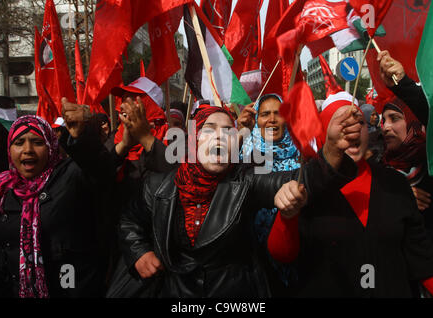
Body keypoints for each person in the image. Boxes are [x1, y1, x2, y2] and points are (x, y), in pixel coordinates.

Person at [114, 95, 363, 298]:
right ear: (193, 140)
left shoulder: (245, 181)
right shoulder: (158, 186)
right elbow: (129, 220)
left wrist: (331, 152)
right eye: (209, 129)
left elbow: (299, 179)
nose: (221, 137)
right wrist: (138, 251)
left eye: (228, 131)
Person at [267, 92, 433, 297]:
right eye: (342, 123)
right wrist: (287, 215)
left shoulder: (395, 183)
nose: (351, 131)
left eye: (358, 122)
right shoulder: (306, 183)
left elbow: (424, 261)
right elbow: (282, 254)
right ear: (325, 133)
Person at [0, 99, 117, 298]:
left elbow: (100, 170)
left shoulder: (70, 175)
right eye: (19, 143)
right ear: (9, 150)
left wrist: (82, 136)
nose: (27, 150)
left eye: (37, 142)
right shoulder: (1, 190)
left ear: (51, 146)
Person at [378, 51, 433, 260]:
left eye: (395, 118)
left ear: (415, 123)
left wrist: (403, 84)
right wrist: (397, 197)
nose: (385, 127)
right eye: (383, 120)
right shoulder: (376, 170)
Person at [238, 94, 300, 295]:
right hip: (252, 264)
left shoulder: (303, 156)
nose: (272, 119)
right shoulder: (242, 156)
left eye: (278, 113)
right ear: (256, 120)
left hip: (295, 263)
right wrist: (240, 133)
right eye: (265, 114)